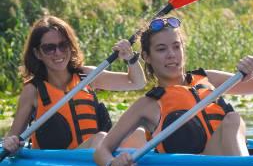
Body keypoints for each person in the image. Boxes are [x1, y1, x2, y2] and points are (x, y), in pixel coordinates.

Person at [94, 16, 253, 166]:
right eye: (161, 49)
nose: (171, 55)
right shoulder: (147, 104)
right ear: (146, 56)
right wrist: (113, 163)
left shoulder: (208, 79)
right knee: (232, 120)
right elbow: (102, 151)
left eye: (176, 46)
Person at [2, 15, 146, 153]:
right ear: (38, 53)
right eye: (49, 48)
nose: (58, 53)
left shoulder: (87, 76)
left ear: (70, 47)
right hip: (61, 164)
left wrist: (130, 58)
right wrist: (11, 143)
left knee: (139, 134)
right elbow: (13, 136)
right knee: (101, 138)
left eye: (63, 45)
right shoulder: (33, 90)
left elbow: (137, 82)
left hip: (96, 157)